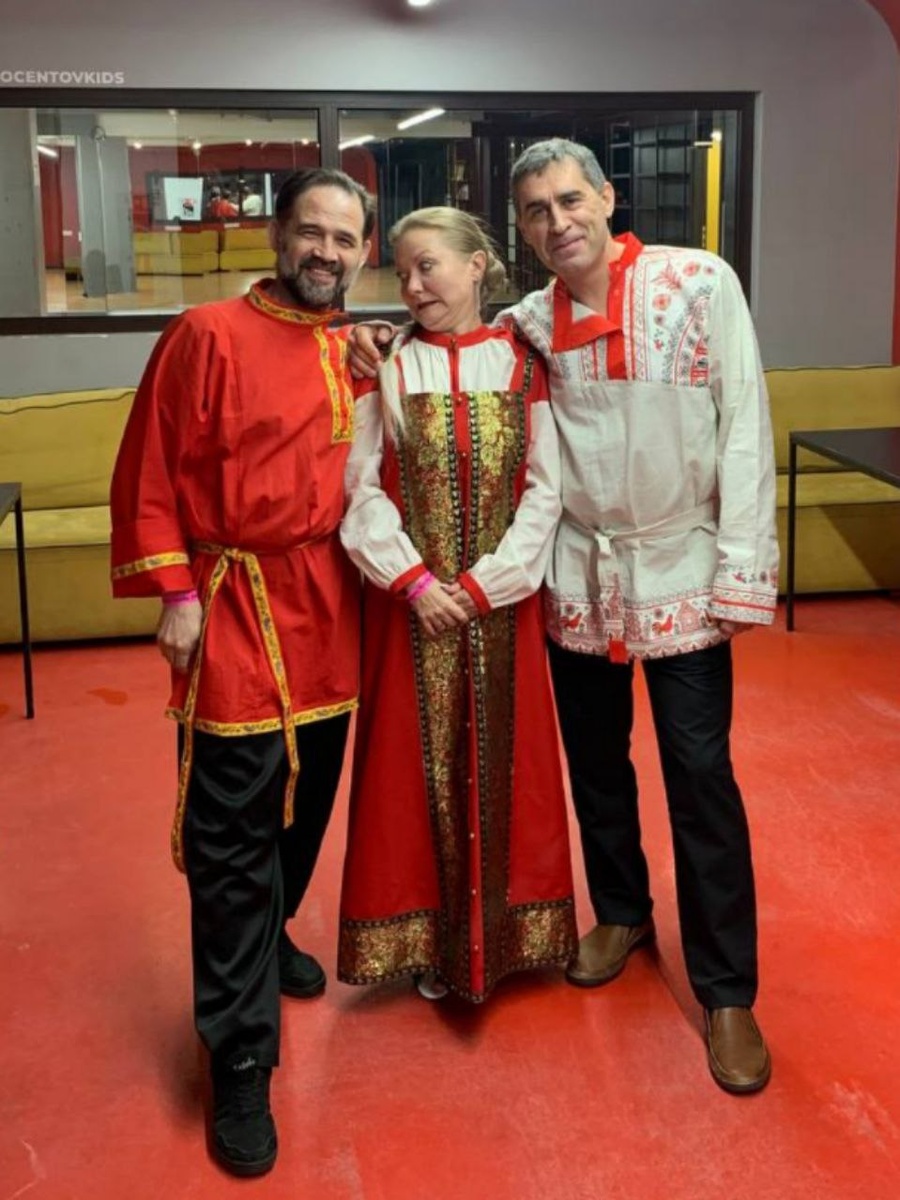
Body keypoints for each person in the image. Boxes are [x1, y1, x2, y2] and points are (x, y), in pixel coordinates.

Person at [351, 140, 778, 1093]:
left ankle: (727, 990)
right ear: (521, 229)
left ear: (608, 197)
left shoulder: (701, 283)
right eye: (537, 210)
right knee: (596, 764)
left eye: (571, 199)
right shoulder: (528, 324)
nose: (559, 221)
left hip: (681, 564)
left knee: (700, 777)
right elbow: (445, 322)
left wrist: (743, 568)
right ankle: (621, 913)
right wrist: (372, 336)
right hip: (579, 572)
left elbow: (746, 421)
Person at [110, 167, 374, 1176]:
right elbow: (149, 468)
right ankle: (241, 1055)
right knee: (230, 837)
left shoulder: (354, 349)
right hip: (233, 604)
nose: (325, 252)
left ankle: (273, 934)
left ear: (364, 252)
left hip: (330, 611)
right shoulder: (205, 334)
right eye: (311, 231)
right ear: (278, 235)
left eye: (345, 239)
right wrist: (176, 593)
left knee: (307, 809)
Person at [338, 206, 578, 1003]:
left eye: (428, 266)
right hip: (408, 613)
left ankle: (510, 938)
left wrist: (483, 588)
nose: (412, 286)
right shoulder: (384, 367)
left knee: (512, 771)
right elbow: (359, 488)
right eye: (401, 272)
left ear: (477, 266)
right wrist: (412, 582)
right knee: (409, 778)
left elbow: (545, 491)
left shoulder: (523, 364)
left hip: (502, 610)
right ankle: (426, 941)